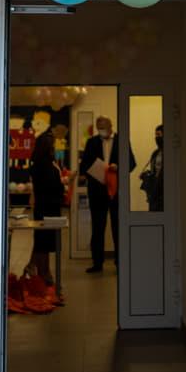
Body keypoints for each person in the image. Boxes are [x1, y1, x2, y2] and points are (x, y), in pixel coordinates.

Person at [27, 124, 67, 288]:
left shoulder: (37, 165)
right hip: (49, 208)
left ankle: (39, 270)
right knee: (44, 243)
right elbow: (53, 187)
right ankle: (44, 274)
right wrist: (64, 185)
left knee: (41, 242)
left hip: (43, 207)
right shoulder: (47, 167)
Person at [78, 116, 119, 272]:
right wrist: (90, 171)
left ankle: (120, 262)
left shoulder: (121, 140)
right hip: (97, 190)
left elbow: (131, 162)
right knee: (97, 227)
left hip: (116, 190)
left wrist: (118, 166)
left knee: (118, 227)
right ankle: (97, 263)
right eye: (98, 127)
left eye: (103, 127)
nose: (101, 130)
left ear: (111, 126)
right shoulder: (92, 142)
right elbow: (84, 164)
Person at [138, 123, 163, 211]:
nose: (156, 137)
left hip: (163, 192)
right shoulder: (155, 153)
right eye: (155, 135)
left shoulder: (170, 153)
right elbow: (153, 170)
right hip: (154, 192)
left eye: (159, 135)